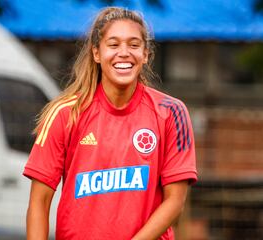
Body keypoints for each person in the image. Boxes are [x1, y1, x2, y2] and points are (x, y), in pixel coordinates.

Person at [24, 6, 197, 240]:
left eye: (134, 45)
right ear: (97, 53)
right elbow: (39, 202)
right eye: (113, 45)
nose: (124, 53)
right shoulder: (66, 113)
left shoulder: (171, 112)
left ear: (145, 54)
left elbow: (175, 201)